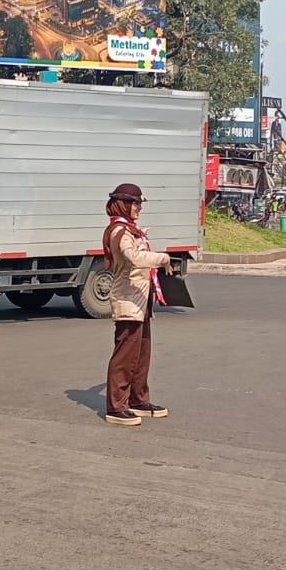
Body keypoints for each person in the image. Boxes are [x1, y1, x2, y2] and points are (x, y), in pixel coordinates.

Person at [102, 182, 173, 426]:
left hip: (140, 300)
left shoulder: (130, 230)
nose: (139, 208)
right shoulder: (119, 232)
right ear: (123, 204)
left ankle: (138, 399)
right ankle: (116, 405)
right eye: (136, 203)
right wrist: (162, 258)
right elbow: (134, 258)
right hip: (127, 300)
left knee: (141, 354)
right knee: (125, 356)